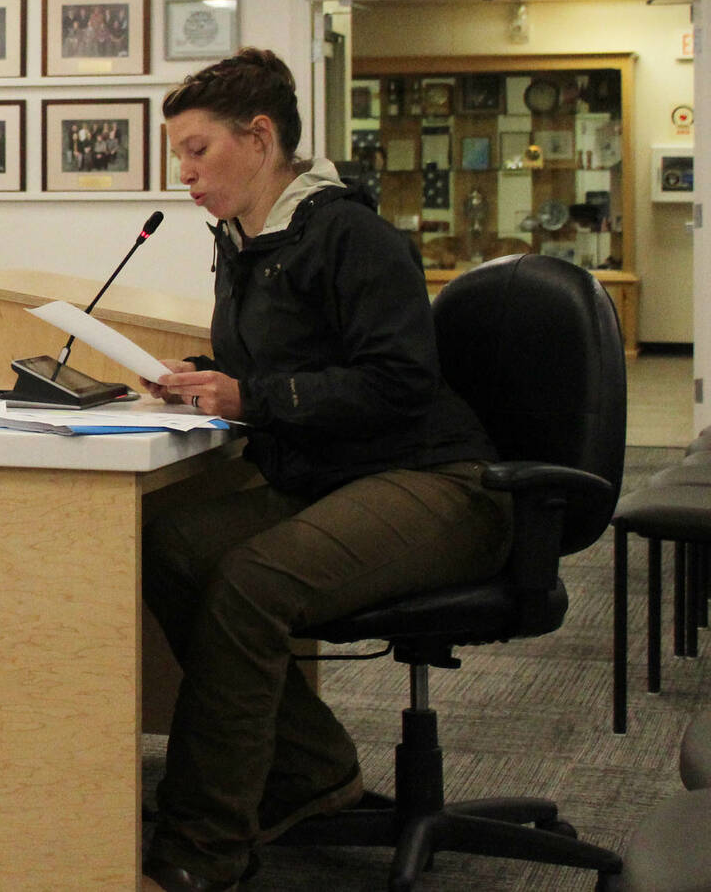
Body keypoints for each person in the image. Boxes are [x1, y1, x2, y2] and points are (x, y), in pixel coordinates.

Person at [139, 49, 511, 892]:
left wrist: (255, 394)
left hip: (442, 483)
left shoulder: (349, 233)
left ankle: (203, 844)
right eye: (180, 155)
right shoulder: (248, 243)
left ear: (260, 136)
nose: (184, 173)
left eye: (197, 150)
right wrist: (203, 378)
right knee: (172, 546)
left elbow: (398, 380)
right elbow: (287, 361)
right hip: (342, 476)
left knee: (252, 582)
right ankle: (309, 767)